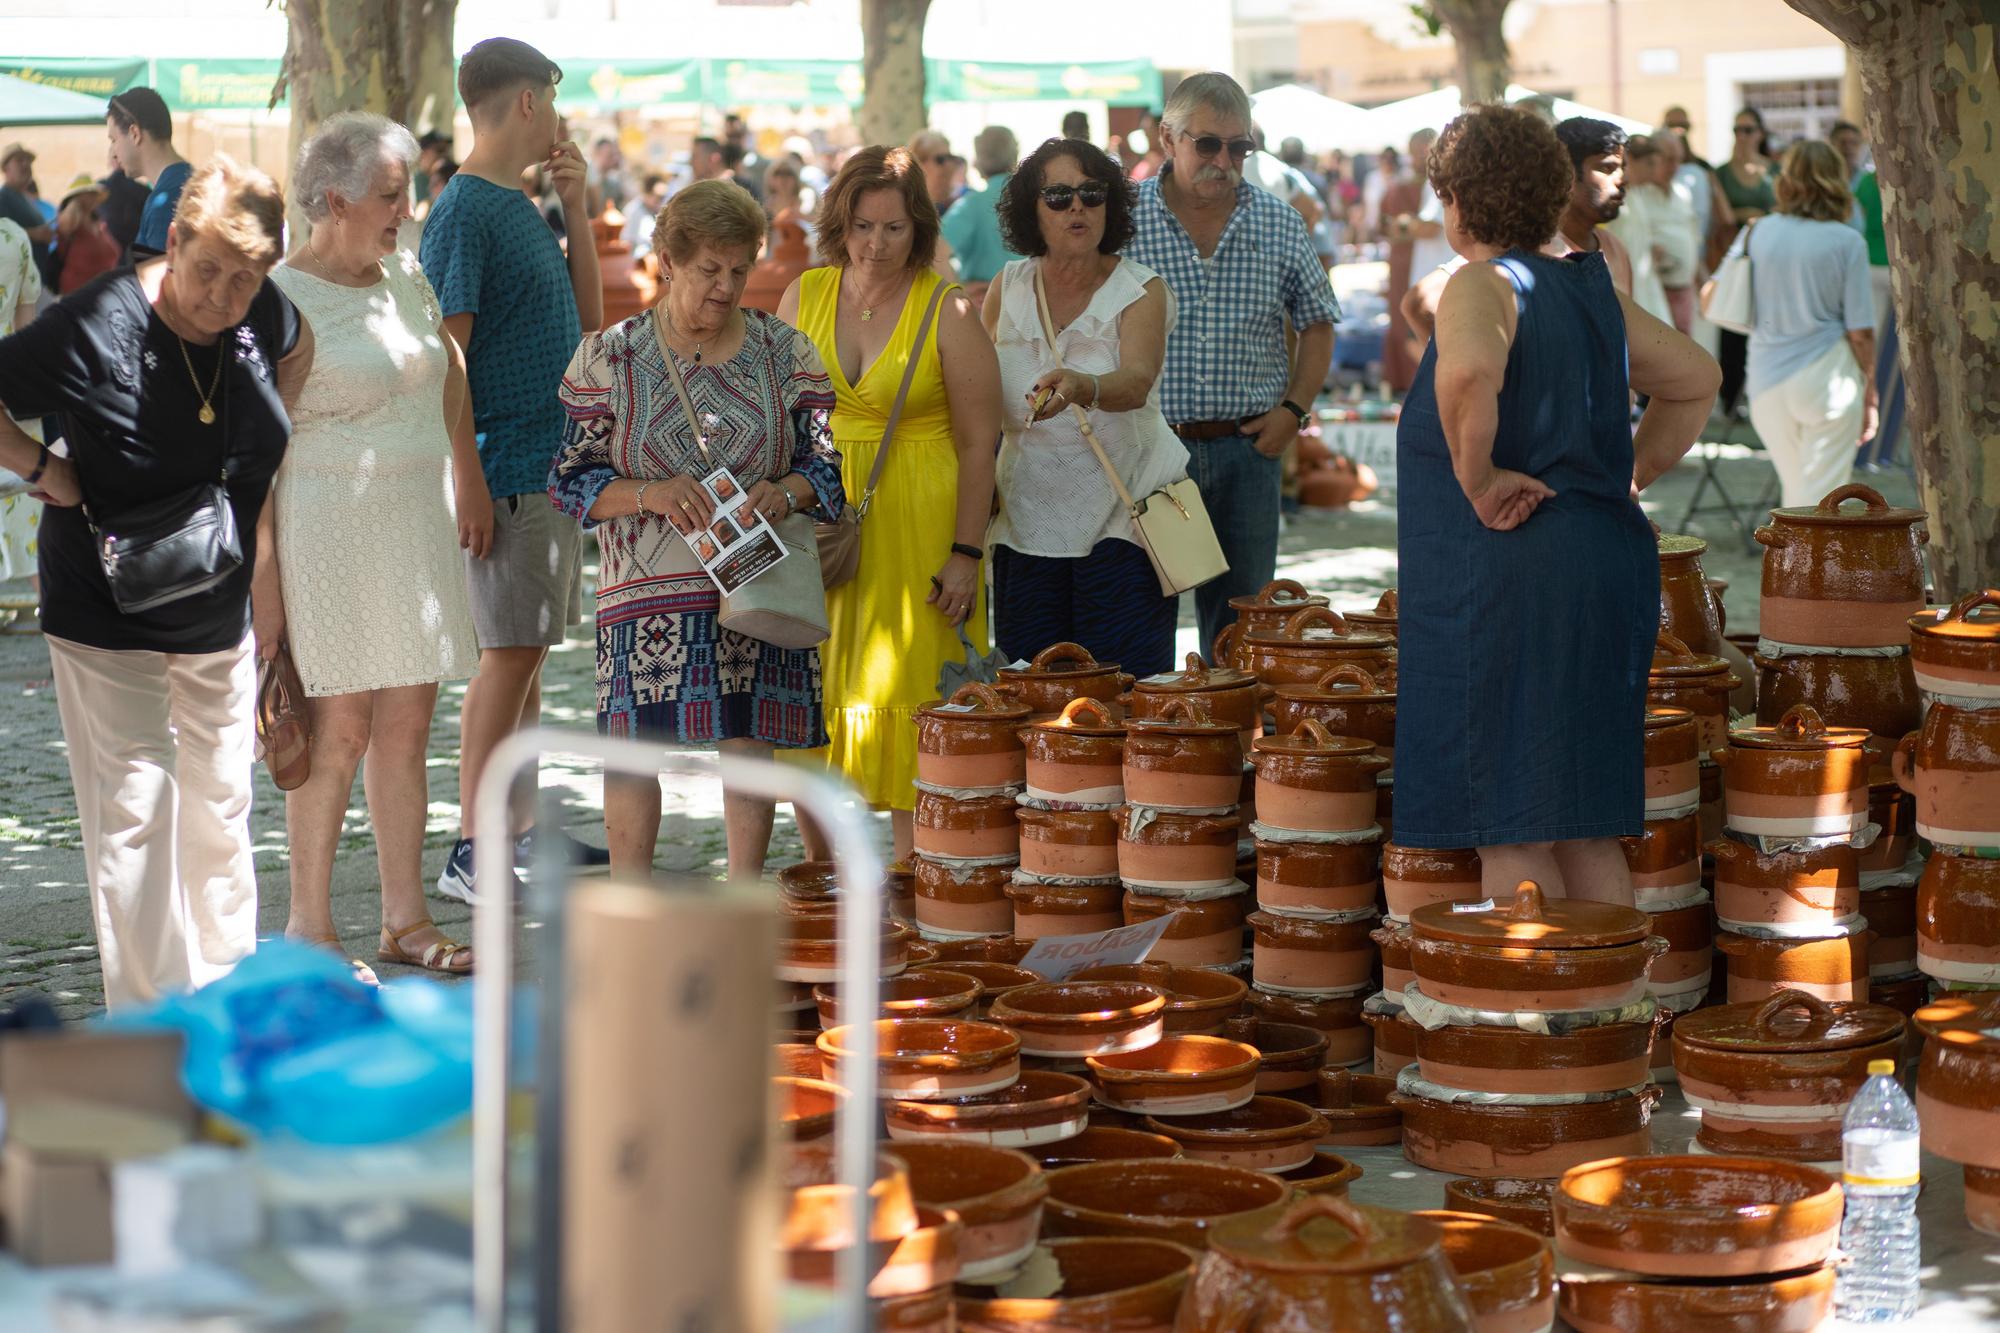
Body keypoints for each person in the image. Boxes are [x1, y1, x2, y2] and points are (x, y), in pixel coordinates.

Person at [0, 157, 314, 1008]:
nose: (221, 296)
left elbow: (295, 344)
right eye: (205, 269)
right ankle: (150, 1027)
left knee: (220, 806)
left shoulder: (264, 311)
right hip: (107, 608)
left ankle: (224, 1007)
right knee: (137, 811)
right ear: (171, 240)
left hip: (215, 605)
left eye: (244, 279)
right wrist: (41, 466)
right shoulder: (96, 325)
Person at [1396, 106, 1718, 907]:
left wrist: (1479, 479)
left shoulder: (1483, 282)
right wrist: (1623, 476)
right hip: (1600, 563)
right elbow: (1695, 379)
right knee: (1582, 821)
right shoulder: (1589, 289)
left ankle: (1538, 1023)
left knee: (1514, 824)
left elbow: (1470, 373)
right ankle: (1607, 1017)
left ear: (1460, 198)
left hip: (1510, 577)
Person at [552, 181, 844, 880]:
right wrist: (649, 492)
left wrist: (786, 491)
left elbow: (829, 468)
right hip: (644, 591)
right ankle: (633, 904)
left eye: (740, 269)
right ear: (669, 260)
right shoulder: (610, 357)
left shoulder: (786, 351)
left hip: (757, 585)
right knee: (634, 746)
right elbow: (569, 480)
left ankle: (743, 897)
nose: (726, 285)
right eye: (710, 268)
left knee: (749, 739)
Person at [268, 113, 486, 975]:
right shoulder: (283, 297)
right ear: (335, 199)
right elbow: (258, 445)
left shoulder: (407, 276)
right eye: (391, 195)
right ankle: (310, 927)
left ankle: (405, 919)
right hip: (327, 528)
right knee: (338, 730)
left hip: (414, 526)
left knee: (407, 724)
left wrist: (459, 468)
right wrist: (268, 582)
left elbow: (446, 375)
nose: (408, 208)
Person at [776, 146, 1001, 863]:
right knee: (812, 702)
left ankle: (915, 898)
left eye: (895, 229)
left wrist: (966, 554)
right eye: (863, 226)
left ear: (920, 229)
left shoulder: (948, 306)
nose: (876, 245)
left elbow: (978, 442)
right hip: (822, 525)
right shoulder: (802, 295)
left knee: (917, 713)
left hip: (921, 526)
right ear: (839, 222)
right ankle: (824, 886)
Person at [419, 37, 605, 901]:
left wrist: (575, 206)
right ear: (529, 101)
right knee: (508, 656)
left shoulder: (516, 202)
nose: (563, 121)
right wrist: (471, 478)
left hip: (545, 464)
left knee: (523, 656)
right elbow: (442, 357)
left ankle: (517, 835)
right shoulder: (465, 208)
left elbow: (588, 328)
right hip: (507, 465)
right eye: (557, 102)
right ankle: (472, 847)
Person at [1126, 71, 1339, 654]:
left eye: (1240, 146)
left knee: (1244, 631)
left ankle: (1239, 746)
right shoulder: (1121, 219)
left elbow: (1318, 322)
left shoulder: (1278, 221)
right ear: (1168, 139)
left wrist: (1294, 411)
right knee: (1143, 622)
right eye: (1209, 143)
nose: (1225, 159)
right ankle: (1156, 744)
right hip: (1148, 453)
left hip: (1247, 450)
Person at [983, 138, 1188, 678]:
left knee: (1123, 700)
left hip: (1124, 524)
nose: (1077, 207)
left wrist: (1081, 386)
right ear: (1032, 208)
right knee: (1032, 700)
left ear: (1111, 205)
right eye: (1058, 196)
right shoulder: (1007, 286)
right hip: (1025, 524)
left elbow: (1138, 382)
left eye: (1092, 194)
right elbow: (976, 392)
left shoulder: (1141, 290)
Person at [1723, 140, 1876, 507]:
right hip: (1826, 378)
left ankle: (1788, 563)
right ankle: (1805, 565)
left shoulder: (1757, 231)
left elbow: (1716, 291)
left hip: (1765, 378)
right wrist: (1871, 392)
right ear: (1836, 181)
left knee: (1798, 498)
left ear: (1786, 180)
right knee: (1820, 502)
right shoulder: (1846, 241)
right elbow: (1861, 332)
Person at [1711, 107, 1777, 412]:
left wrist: (1749, 216)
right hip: (1733, 256)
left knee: (1765, 323)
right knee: (1732, 322)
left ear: (1760, 134)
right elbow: (1719, 218)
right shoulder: (1722, 172)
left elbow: (1780, 211)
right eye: (1738, 129)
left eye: (1748, 129)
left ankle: (1762, 395)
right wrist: (1749, 216)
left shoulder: (1774, 171)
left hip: (1768, 256)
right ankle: (1730, 398)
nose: (1743, 135)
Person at [0, 217, 42, 589]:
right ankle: (59, 636)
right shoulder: (13, 235)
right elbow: (26, 329)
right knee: (36, 535)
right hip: (10, 388)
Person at [106, 89, 190, 261]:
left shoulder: (165, 203)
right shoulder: (188, 179)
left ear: (135, 134)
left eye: (114, 140)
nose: (113, 153)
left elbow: (159, 285)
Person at [940, 125, 1021, 301]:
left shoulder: (971, 205)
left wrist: (958, 288)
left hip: (985, 306)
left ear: (978, 163)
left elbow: (933, 252)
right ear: (1015, 157)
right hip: (1034, 304)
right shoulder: (1038, 201)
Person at [1554, 118, 1634, 298]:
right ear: (1567, 174)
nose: (1622, 180)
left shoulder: (1616, 249)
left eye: (1622, 168)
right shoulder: (1536, 251)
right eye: (1607, 168)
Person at [1604, 135, 1671, 326]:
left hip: (1645, 283)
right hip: (1622, 282)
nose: (1654, 171)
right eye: (1649, 164)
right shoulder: (1613, 196)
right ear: (1630, 160)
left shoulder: (1637, 195)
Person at [1651, 131, 1702, 333]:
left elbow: (1693, 236)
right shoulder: (1635, 196)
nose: (1674, 167)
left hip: (1684, 289)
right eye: (1669, 159)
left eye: (1678, 160)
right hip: (1654, 293)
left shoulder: (1682, 192)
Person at [53, 175, 123, 295]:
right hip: (77, 294)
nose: (94, 197)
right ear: (78, 197)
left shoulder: (99, 224)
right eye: (89, 192)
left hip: (101, 293)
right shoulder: (71, 222)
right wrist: (73, 207)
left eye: (94, 193)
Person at [0, 144, 54, 277]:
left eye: (28, 161)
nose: (26, 164)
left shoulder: (25, 199)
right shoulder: (3, 197)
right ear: (6, 168)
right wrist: (36, 234)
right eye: (19, 160)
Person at [909, 129, 956, 215]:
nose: (948, 165)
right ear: (920, 164)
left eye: (950, 157)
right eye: (941, 159)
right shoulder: (907, 210)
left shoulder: (955, 206)